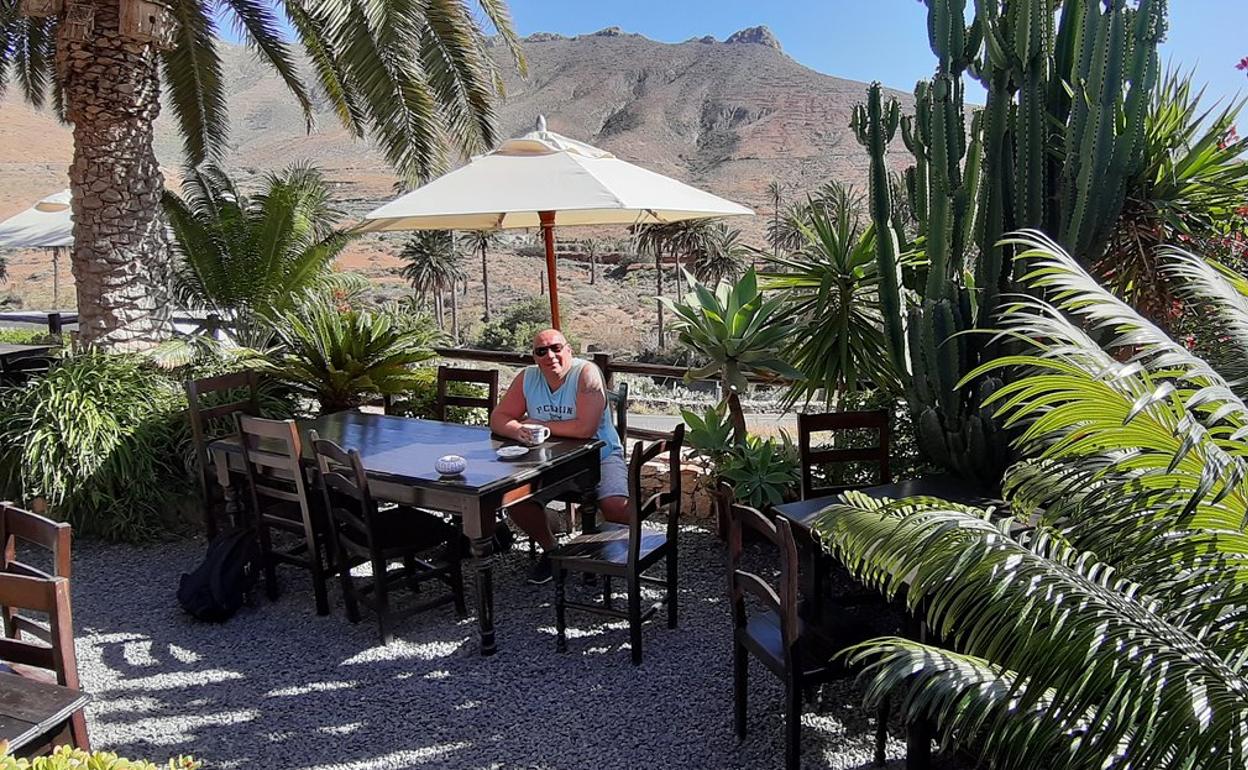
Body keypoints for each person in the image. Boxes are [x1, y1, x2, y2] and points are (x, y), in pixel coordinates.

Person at [489, 328, 626, 584]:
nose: (550, 355)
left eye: (556, 348)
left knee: (616, 506)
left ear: (569, 350)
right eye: (541, 351)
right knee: (514, 499)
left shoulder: (586, 374)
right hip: (549, 462)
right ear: (535, 357)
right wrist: (518, 430)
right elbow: (498, 418)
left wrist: (541, 425)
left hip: (600, 456)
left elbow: (585, 429)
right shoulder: (527, 377)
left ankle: (629, 550)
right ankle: (552, 551)